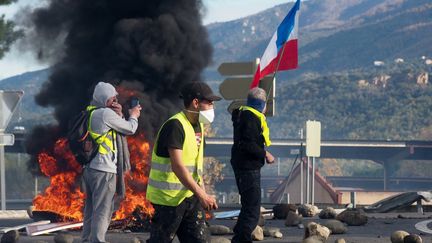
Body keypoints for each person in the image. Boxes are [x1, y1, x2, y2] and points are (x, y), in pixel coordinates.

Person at [146, 82, 221, 243]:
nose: (212, 106)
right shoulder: (175, 126)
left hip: (189, 196)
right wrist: (203, 195)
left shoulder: (198, 126)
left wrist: (203, 192)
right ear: (195, 102)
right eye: (209, 102)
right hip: (168, 200)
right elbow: (178, 166)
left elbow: (195, 166)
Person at [82, 81, 141, 243]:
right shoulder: (105, 114)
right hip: (104, 169)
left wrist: (120, 114)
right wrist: (134, 116)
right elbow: (129, 128)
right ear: (104, 99)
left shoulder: (91, 112)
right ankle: (98, 240)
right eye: (112, 98)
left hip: (90, 168)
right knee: (103, 209)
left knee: (90, 209)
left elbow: (116, 127)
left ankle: (87, 240)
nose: (115, 101)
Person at [230, 87, 275, 243]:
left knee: (247, 204)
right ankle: (241, 238)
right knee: (252, 209)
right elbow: (247, 144)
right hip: (248, 167)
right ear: (261, 104)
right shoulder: (251, 118)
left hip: (241, 164)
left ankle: (239, 234)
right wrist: (265, 154)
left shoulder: (243, 114)